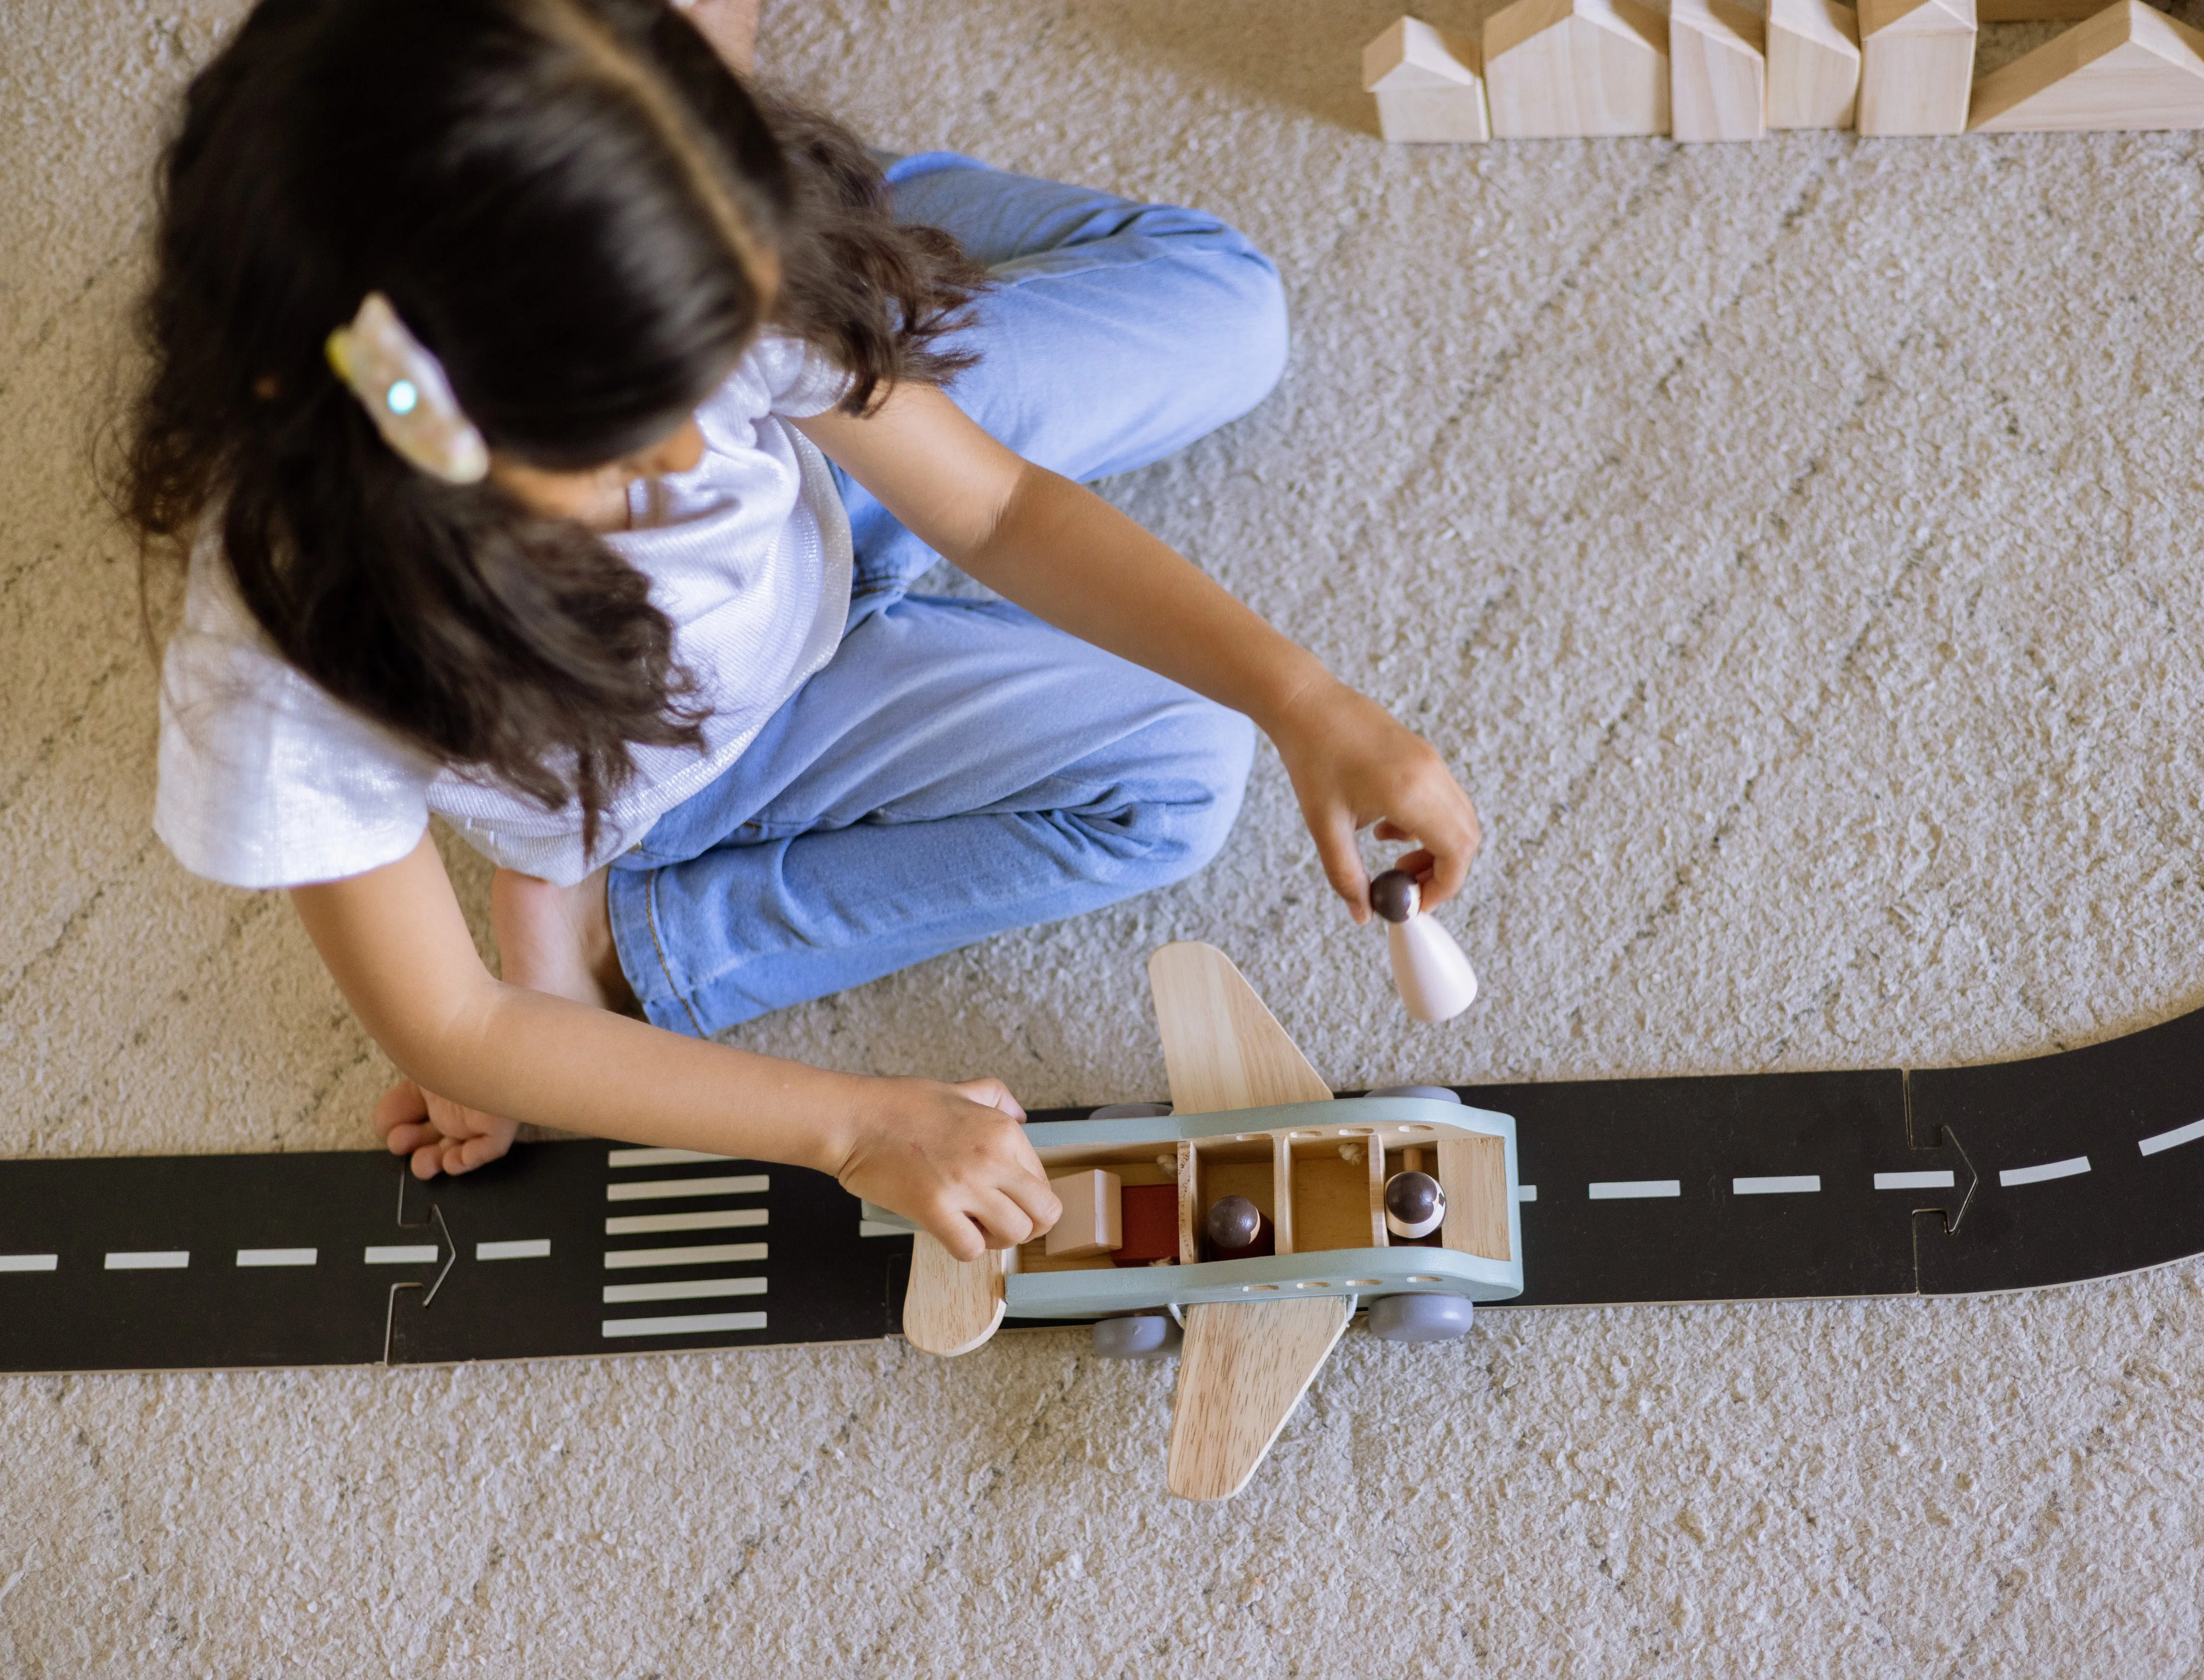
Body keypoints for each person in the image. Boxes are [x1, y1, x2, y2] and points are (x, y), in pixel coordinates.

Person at [115, 0, 1480, 1261]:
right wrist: (857, 1126)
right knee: (1183, 776)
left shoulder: (725, 281)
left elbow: (995, 510)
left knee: (1225, 307)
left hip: (818, 513)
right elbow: (452, 1022)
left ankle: (820, 225)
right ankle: (615, 927)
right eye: (646, 459)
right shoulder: (290, 665)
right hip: (687, 755)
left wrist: (1306, 698)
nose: (694, 449)